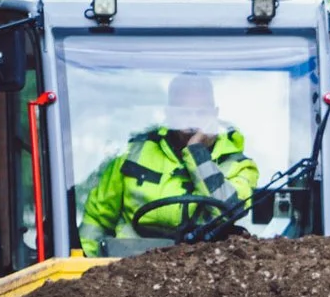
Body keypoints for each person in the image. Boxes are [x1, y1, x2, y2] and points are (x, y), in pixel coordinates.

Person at [80, 74, 261, 250]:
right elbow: (96, 220)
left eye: (201, 113)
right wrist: (88, 264)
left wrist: (197, 152)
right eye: (184, 113)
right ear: (169, 115)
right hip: (129, 263)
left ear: (214, 115)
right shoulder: (132, 155)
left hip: (209, 267)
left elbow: (229, 212)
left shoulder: (240, 166)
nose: (193, 122)